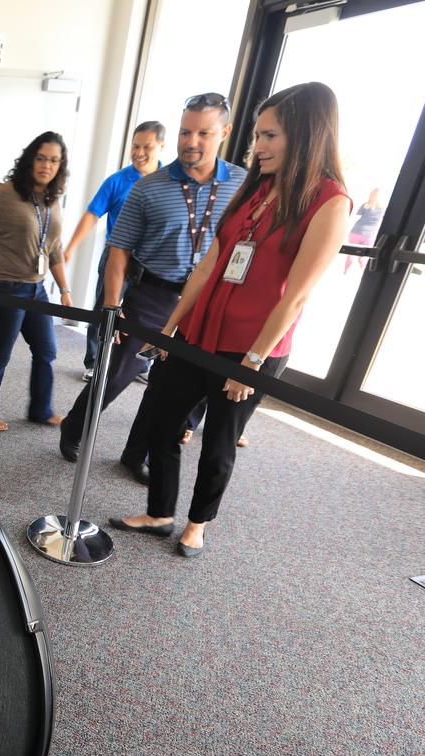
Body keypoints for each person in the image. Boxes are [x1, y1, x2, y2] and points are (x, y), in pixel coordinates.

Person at [111, 82, 351, 557]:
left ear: (306, 135)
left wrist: (252, 361)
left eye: (271, 136)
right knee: (160, 423)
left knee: (218, 442)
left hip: (249, 348)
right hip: (199, 333)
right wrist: (171, 326)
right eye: (258, 136)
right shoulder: (255, 188)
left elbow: (297, 295)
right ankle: (160, 511)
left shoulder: (329, 201)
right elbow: (210, 264)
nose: (257, 147)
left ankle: (198, 523)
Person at [58, 93, 247, 484]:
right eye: (184, 131)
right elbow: (118, 252)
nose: (190, 141)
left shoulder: (244, 186)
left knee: (170, 388)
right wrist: (113, 307)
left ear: (225, 133)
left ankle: (135, 453)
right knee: (118, 373)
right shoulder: (149, 188)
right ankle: (74, 427)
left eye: (203, 132)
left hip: (209, 302)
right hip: (154, 295)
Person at [0, 132, 73, 431]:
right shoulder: (4, 193)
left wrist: (66, 290)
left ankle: (41, 409)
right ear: (30, 159)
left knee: (47, 350)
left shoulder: (52, 198)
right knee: (1, 352)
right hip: (4, 286)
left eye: (54, 160)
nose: (47, 165)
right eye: (41, 158)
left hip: (37, 288)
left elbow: (54, 247)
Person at [64, 121, 165, 382]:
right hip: (117, 255)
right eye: (136, 146)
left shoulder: (168, 181)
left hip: (152, 260)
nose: (139, 152)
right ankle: (95, 362)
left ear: (161, 147)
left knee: (143, 313)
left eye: (147, 146)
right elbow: (92, 214)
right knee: (105, 308)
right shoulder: (118, 181)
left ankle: (140, 366)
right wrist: (71, 247)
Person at [344, 187, 384, 272]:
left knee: (350, 253)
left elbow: (358, 215)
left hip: (356, 232)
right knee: (365, 254)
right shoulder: (383, 210)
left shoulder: (366, 205)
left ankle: (346, 270)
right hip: (369, 235)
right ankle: (364, 270)